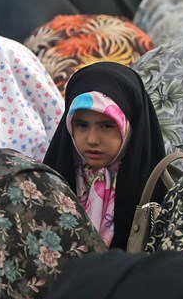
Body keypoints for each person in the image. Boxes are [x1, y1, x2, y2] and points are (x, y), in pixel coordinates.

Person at [44, 62, 166, 249]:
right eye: (81, 125)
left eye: (107, 125)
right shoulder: (53, 181)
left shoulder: (152, 183)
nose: (92, 140)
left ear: (129, 125)